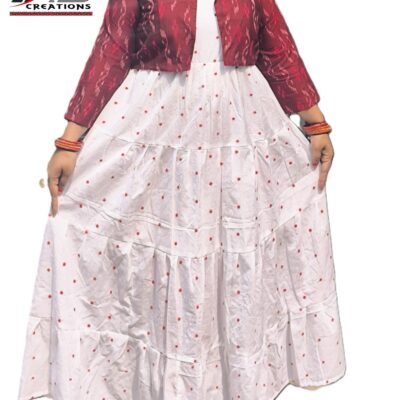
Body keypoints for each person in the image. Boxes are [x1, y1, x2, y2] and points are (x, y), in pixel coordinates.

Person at [18, 0, 346, 398]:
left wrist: (316, 124)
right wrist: (70, 142)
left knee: (232, 250)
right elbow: (111, 49)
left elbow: (277, 49)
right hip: (157, 125)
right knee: (158, 250)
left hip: (238, 131)